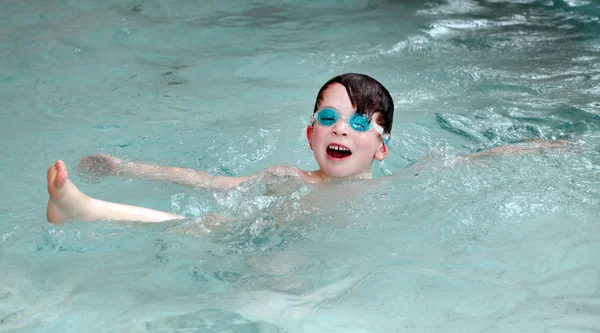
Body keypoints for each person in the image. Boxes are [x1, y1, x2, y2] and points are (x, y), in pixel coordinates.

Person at [46, 73, 565, 225]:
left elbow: (470, 164)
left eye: (360, 123)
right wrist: (125, 166)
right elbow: (203, 181)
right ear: (310, 135)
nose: (341, 130)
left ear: (382, 148)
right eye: (328, 118)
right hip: (259, 237)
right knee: (202, 227)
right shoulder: (286, 178)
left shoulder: (402, 187)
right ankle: (86, 207)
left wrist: (538, 148)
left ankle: (84, 211)